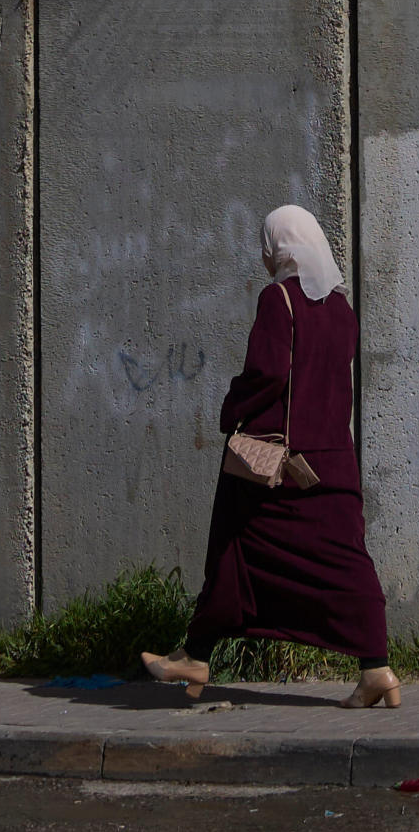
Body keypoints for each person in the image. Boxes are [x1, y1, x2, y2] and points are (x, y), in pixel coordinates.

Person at [141, 204, 399, 708]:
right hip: (333, 463)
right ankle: (377, 669)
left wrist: (231, 408)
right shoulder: (343, 311)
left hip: (280, 469)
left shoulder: (278, 300)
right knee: (345, 563)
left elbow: (268, 374)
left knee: (232, 549)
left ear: (279, 247)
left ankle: (195, 655)